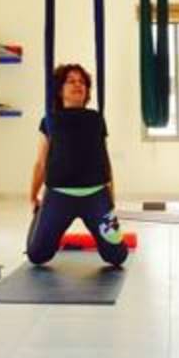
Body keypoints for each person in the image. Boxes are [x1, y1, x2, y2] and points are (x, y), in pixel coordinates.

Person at [26, 64, 127, 267]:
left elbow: (104, 158)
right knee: (37, 256)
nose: (77, 85)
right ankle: (40, 217)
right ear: (60, 89)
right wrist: (33, 196)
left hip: (96, 196)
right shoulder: (50, 120)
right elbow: (40, 163)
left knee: (117, 256)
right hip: (58, 196)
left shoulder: (96, 119)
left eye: (82, 82)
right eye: (71, 81)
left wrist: (111, 195)